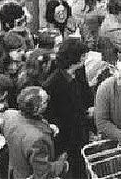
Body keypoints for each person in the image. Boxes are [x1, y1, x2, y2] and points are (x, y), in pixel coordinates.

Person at [43, 39, 92, 178]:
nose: (85, 58)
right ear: (74, 58)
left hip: (81, 128)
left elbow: (85, 92)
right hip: (66, 136)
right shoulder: (52, 84)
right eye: (83, 56)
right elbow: (52, 116)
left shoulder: (79, 71)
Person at [2, 86, 69, 179]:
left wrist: (47, 127)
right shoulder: (36, 139)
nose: (48, 102)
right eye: (45, 102)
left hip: (16, 172)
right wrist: (61, 165)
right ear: (36, 109)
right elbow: (43, 173)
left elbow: (21, 131)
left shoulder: (9, 115)